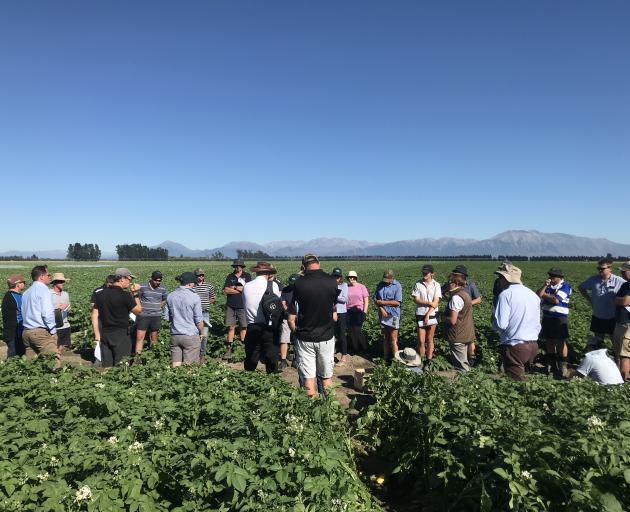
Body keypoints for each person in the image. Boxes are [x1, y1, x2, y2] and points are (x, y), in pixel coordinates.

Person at [288, 253, 338, 397]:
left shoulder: (298, 283)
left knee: (308, 378)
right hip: (326, 336)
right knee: (326, 377)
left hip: (305, 337)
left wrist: (296, 332)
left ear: (303, 267)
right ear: (319, 263)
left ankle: (311, 411)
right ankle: (330, 409)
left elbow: (291, 318)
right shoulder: (332, 281)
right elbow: (333, 306)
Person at [492, 264, 541, 381]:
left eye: (500, 277)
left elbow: (501, 324)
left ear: (506, 279)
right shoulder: (532, 294)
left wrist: (493, 322)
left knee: (516, 384)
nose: (499, 281)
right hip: (533, 346)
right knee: (527, 380)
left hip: (515, 345)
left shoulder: (505, 295)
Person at [92, 268, 142, 367]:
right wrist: (136, 294)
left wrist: (97, 334)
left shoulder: (99, 294)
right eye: (129, 279)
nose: (130, 282)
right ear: (122, 279)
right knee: (122, 367)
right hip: (121, 335)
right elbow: (138, 311)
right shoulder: (125, 295)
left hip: (105, 334)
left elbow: (94, 315)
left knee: (107, 366)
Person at [242, 261, 281, 374]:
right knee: (271, 358)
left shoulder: (247, 286)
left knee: (251, 357)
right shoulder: (273, 285)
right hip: (269, 327)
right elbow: (276, 307)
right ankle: (272, 382)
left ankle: (248, 379)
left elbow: (245, 304)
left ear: (256, 273)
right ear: (269, 273)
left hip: (252, 326)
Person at [536, 268, 572, 378]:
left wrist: (545, 295)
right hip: (547, 317)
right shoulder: (549, 286)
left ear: (560, 277)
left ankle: (562, 366)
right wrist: (545, 288)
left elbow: (556, 300)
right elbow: (538, 294)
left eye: (553, 277)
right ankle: (552, 365)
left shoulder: (565, 286)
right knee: (549, 340)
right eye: (550, 276)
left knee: (561, 341)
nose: (551, 278)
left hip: (559, 318)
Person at [21, 265, 60, 365]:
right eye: (48, 275)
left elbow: (23, 312)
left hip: (26, 332)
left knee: (31, 365)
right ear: (42, 276)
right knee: (53, 361)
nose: (49, 277)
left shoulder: (26, 292)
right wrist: (52, 329)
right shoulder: (43, 290)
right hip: (39, 333)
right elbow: (47, 313)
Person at [578, 258, 625, 340]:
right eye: (598, 268)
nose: (600, 270)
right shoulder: (593, 279)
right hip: (598, 316)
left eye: (602, 268)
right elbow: (581, 287)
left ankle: (614, 352)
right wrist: (589, 299)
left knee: (615, 340)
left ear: (610, 268)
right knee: (598, 339)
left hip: (613, 317)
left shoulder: (618, 281)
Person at [444, 264, 482, 365]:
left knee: (461, 365)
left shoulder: (460, 294)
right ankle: (469, 364)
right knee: (467, 341)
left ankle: (471, 359)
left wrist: (441, 317)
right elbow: (442, 292)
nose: (449, 283)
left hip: (459, 330)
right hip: (463, 320)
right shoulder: (462, 294)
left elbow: (453, 320)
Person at [166, 272, 204, 368]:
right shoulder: (194, 297)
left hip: (175, 335)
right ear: (190, 284)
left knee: (176, 365)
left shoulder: (170, 296)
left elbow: (167, 317)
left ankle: (174, 380)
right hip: (190, 335)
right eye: (194, 283)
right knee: (190, 367)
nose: (195, 285)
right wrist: (202, 332)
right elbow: (198, 320)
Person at [412, 264, 441, 368]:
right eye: (423, 272)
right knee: (421, 340)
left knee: (429, 339)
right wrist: (429, 303)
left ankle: (428, 362)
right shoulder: (418, 284)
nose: (424, 274)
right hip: (420, 313)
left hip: (432, 314)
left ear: (432, 274)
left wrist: (428, 315)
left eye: (427, 272)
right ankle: (420, 360)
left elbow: (436, 302)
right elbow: (416, 299)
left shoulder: (436, 285)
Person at [222, 259, 251, 359]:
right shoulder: (230, 276)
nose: (237, 267)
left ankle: (244, 347)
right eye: (236, 265)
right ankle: (229, 348)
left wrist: (233, 288)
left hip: (243, 305)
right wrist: (238, 289)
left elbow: (248, 289)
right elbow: (226, 290)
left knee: (244, 327)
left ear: (242, 267)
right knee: (231, 327)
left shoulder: (247, 276)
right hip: (231, 305)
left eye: (239, 265)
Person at [134, 271, 168, 355]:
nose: (158, 282)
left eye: (159, 280)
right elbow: (136, 297)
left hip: (156, 316)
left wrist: (158, 307)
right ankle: (138, 358)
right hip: (143, 316)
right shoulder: (142, 287)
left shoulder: (162, 289)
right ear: (151, 279)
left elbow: (164, 300)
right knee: (140, 337)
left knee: (154, 337)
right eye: (156, 280)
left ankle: (153, 356)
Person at [374, 270, 403, 363]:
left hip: (393, 315)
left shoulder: (397, 286)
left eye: (387, 279)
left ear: (392, 278)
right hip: (382, 314)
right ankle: (385, 358)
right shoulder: (380, 284)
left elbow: (397, 302)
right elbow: (375, 299)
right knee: (386, 337)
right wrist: (382, 309)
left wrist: (382, 302)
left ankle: (396, 361)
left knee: (393, 338)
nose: (385, 281)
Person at [192, 268, 216, 361]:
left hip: (205, 312)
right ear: (195, 276)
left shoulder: (209, 286)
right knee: (194, 333)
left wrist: (206, 303)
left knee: (204, 334)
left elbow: (213, 298)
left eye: (202, 275)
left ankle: (202, 354)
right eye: (198, 275)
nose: (200, 277)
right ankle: (194, 354)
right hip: (193, 313)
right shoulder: (192, 286)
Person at [613, 261, 630, 381]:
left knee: (625, 354)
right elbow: (617, 299)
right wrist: (620, 300)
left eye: (624, 272)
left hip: (628, 325)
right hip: (620, 322)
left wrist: (619, 300)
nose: (622, 274)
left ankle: (623, 383)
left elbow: (625, 301)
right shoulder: (625, 285)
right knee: (620, 353)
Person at [279, 273, 300, 370]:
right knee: (284, 338)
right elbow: (283, 304)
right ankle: (283, 360)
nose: (292, 285)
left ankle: (296, 359)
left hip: (299, 317)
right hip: (286, 317)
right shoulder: (285, 290)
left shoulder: (302, 290)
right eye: (291, 283)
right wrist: (289, 312)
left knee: (298, 337)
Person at [2, 274, 26, 358]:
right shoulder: (13, 297)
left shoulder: (10, 295)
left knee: (19, 355)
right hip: (14, 333)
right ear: (18, 284)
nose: (24, 284)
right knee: (14, 356)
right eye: (23, 282)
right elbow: (20, 314)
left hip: (15, 331)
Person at [346, 270, 369, 355]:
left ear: (355, 278)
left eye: (352, 277)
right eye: (349, 277)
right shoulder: (346, 287)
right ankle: (356, 348)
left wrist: (364, 312)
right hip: (348, 311)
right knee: (351, 331)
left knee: (358, 331)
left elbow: (366, 300)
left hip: (358, 311)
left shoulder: (361, 287)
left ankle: (365, 348)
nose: (351, 279)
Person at [50, 273, 72, 353]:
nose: (63, 283)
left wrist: (68, 308)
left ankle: (58, 363)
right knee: (55, 348)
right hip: (55, 326)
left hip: (65, 324)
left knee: (62, 348)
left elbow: (69, 307)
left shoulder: (65, 294)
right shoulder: (49, 294)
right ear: (55, 282)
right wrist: (57, 308)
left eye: (63, 281)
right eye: (61, 282)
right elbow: (45, 310)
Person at [331, 267, 349, 366]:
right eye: (334, 276)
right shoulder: (330, 285)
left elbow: (344, 299)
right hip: (331, 312)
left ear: (340, 277)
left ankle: (344, 356)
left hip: (341, 312)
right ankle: (331, 355)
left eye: (337, 276)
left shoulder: (344, 285)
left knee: (342, 334)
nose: (336, 278)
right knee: (332, 334)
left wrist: (334, 295)